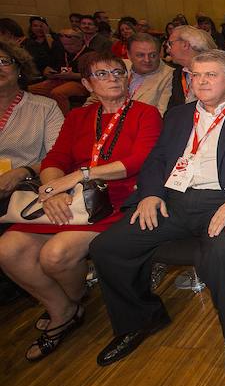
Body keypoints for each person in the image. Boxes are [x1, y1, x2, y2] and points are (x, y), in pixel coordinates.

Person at [89, 51, 225, 380]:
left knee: (218, 253)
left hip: (224, 201)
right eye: (195, 75)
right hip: (173, 201)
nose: (200, 81)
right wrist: (150, 194)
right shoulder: (177, 115)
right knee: (108, 247)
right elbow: (157, 160)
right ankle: (140, 319)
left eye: (210, 75)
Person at [0, 52, 161, 361]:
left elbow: (138, 160)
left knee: (55, 254)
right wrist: (50, 190)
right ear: (87, 84)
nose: (113, 78)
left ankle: (66, 307)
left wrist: (79, 176)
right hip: (69, 199)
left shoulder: (145, 113)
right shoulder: (78, 118)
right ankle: (63, 309)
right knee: (8, 248)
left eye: (118, 72)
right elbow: (55, 159)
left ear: (128, 79)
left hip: (115, 201)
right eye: (102, 74)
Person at [0, 42, 64, 198]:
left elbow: (59, 156)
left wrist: (24, 172)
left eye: (4, 61)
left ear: (20, 68)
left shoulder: (45, 108)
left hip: (20, 192)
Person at [87, 33, 173, 116]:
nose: (147, 60)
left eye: (153, 55)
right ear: (128, 54)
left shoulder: (171, 76)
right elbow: (94, 99)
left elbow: (159, 115)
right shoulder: (118, 67)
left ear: (160, 54)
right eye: (140, 55)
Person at [27, 28, 93, 114]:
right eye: (65, 44)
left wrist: (73, 75)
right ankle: (42, 114)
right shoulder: (60, 51)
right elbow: (49, 66)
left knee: (58, 93)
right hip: (59, 79)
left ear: (81, 41)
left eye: (71, 44)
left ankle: (63, 120)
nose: (68, 47)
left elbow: (92, 75)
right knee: (32, 89)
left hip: (80, 82)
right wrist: (47, 71)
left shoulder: (90, 54)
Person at [165, 25, 219, 111]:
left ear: (185, 45)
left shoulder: (219, 71)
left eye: (171, 43)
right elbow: (173, 109)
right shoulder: (178, 74)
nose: (168, 50)